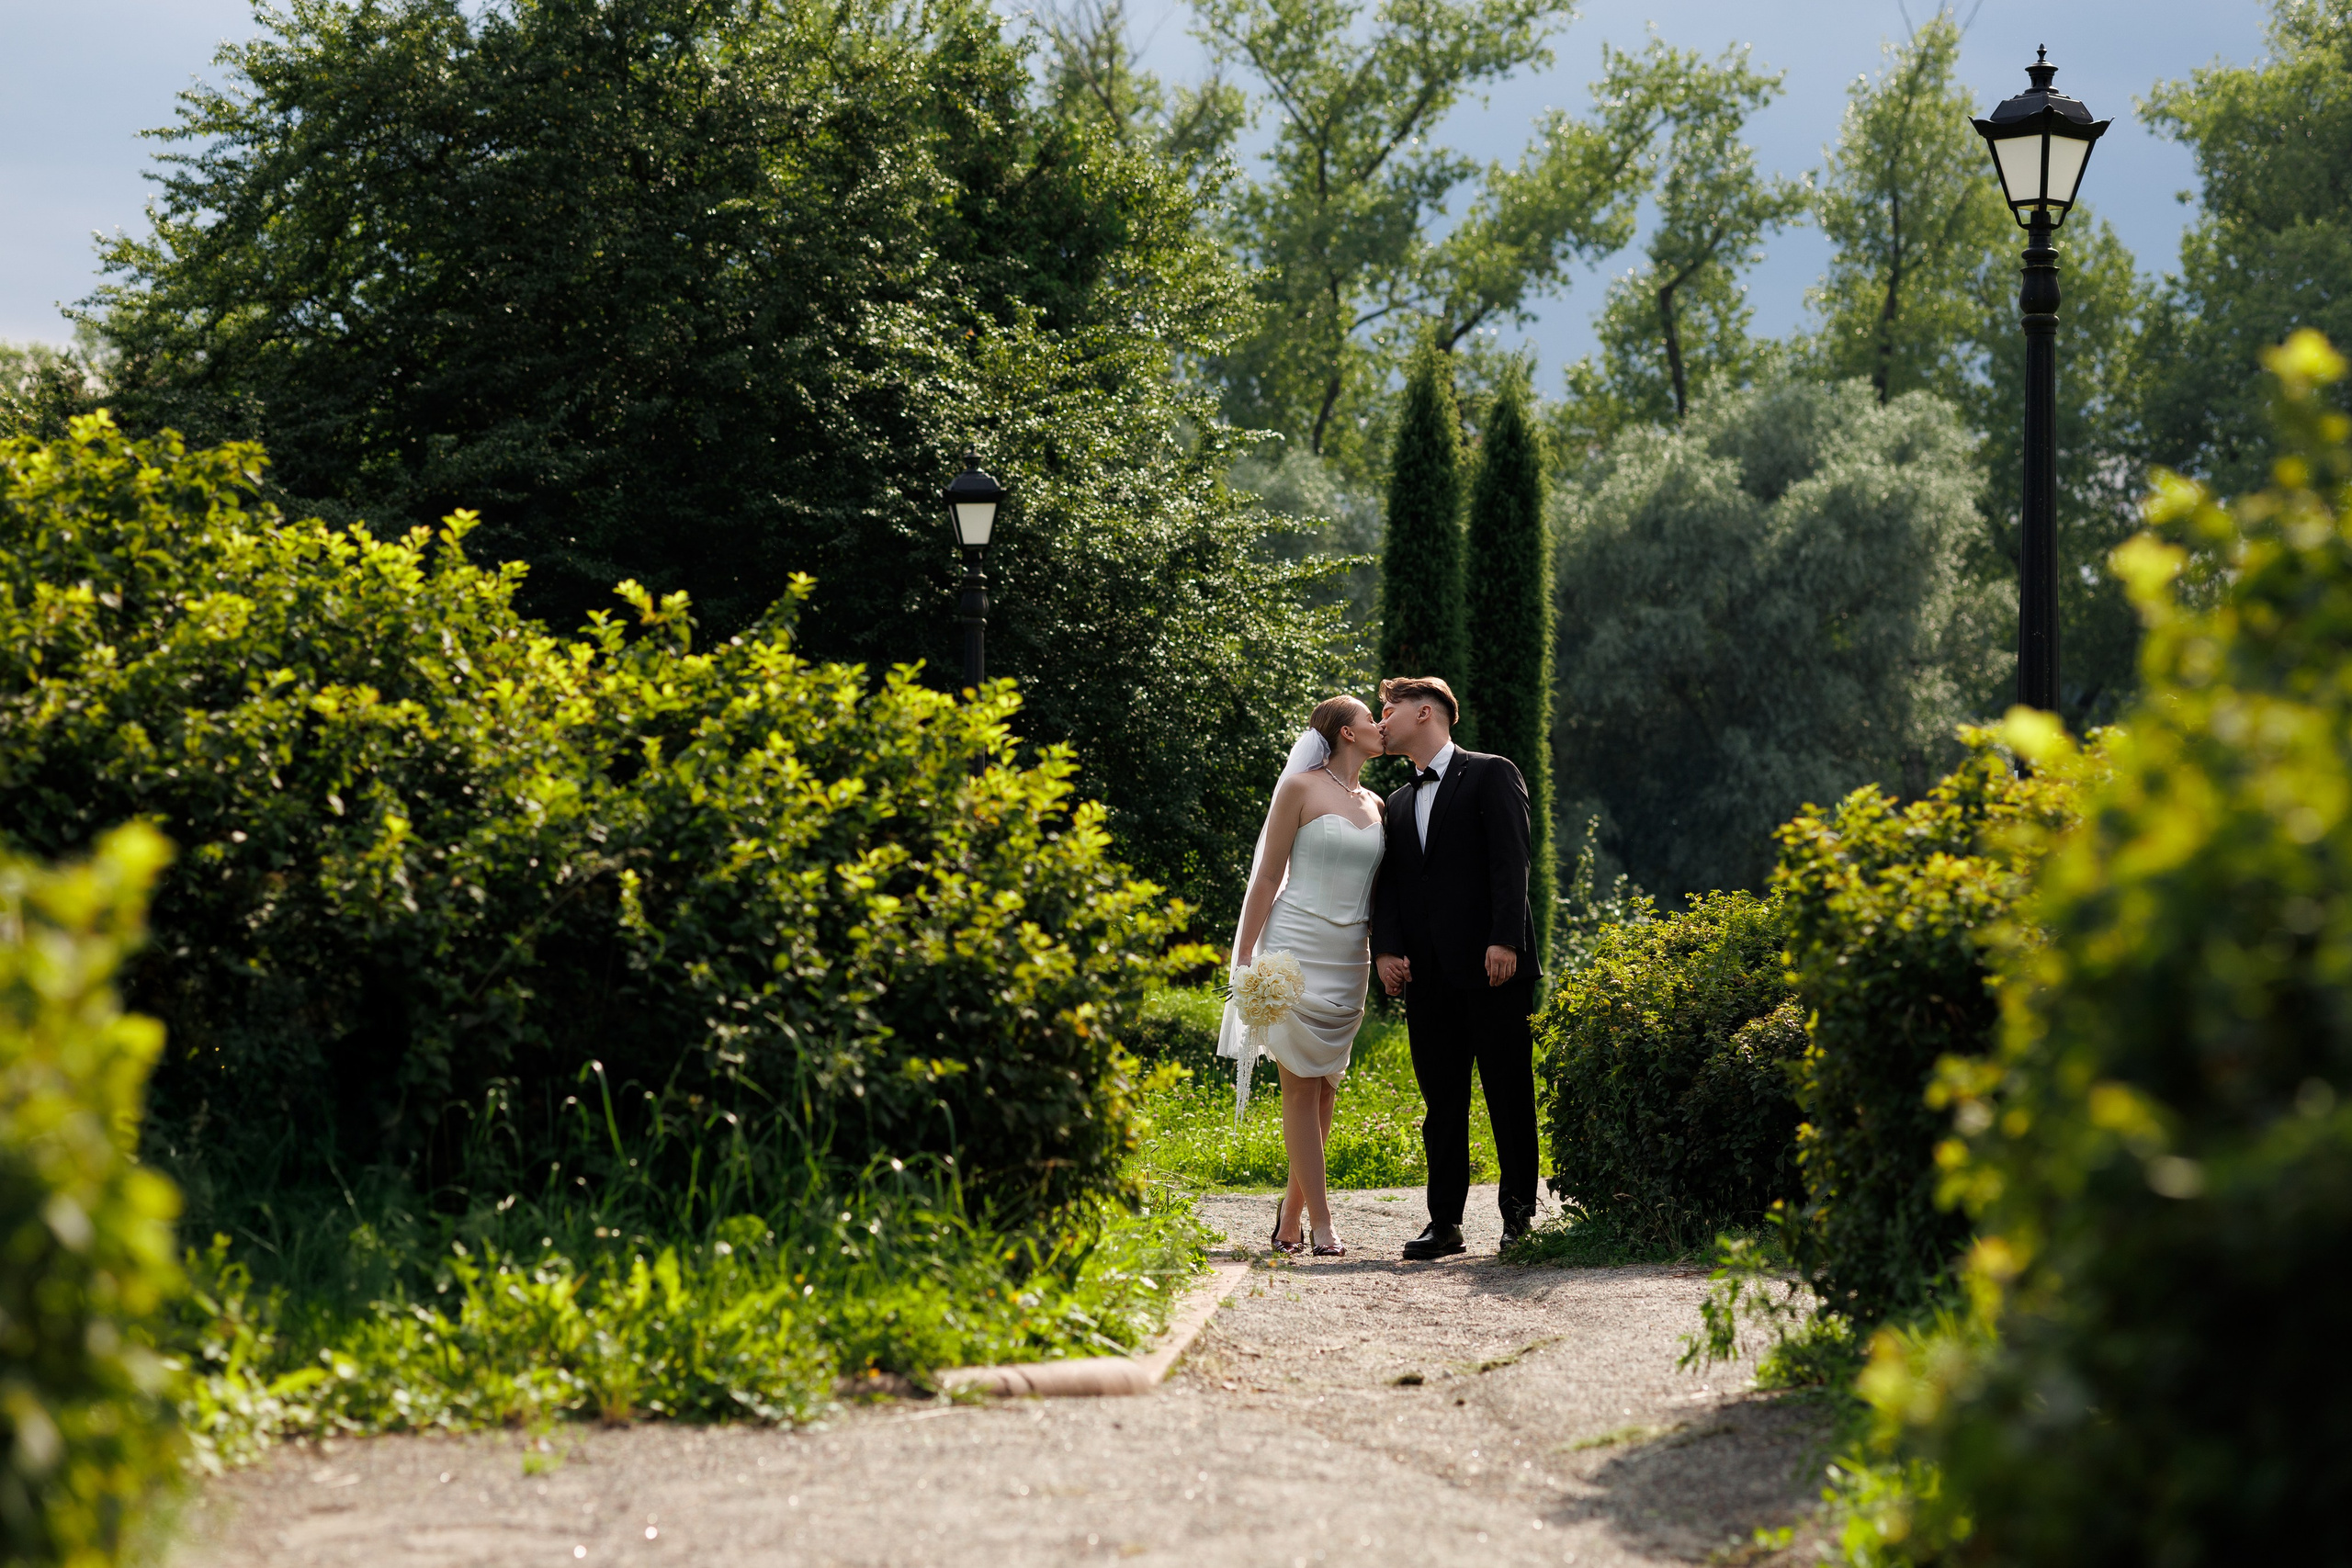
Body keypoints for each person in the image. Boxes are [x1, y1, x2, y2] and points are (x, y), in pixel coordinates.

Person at [1370, 675, 1540, 1260]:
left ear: (1424, 713)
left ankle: (1519, 1221)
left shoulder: (1491, 771)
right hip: (1428, 977)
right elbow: (1390, 884)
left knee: (1508, 1094)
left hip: (1493, 969)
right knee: (1441, 1102)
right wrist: (1386, 949)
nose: (1381, 722)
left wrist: (1505, 940)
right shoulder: (1394, 801)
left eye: (1387, 711)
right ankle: (1443, 1223)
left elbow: (1511, 862)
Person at [1219, 694, 1387, 1258]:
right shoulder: (1299, 789)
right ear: (1344, 732)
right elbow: (1267, 878)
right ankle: (1323, 1225)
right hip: (1294, 948)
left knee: (1326, 1093)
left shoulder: (1377, 803)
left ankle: (1290, 1218)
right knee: (1298, 1086)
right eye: (1371, 719)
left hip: (1350, 957)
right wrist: (1243, 960)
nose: (1380, 725)